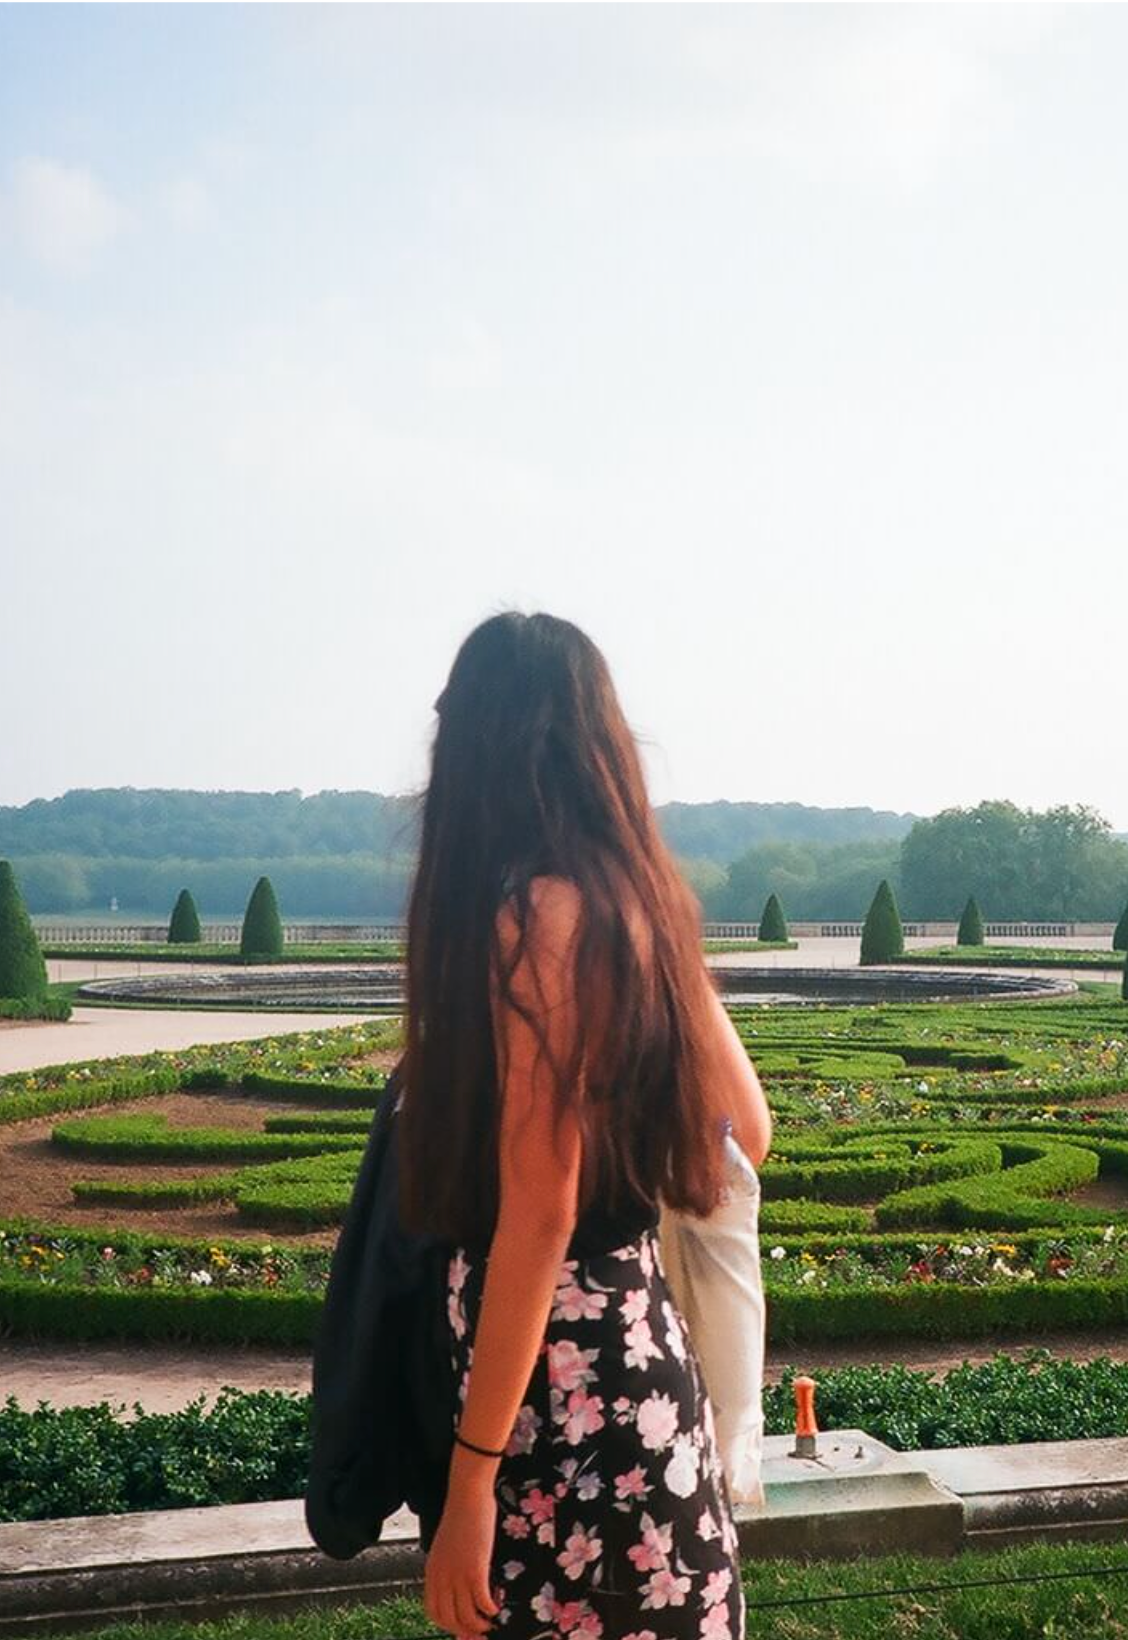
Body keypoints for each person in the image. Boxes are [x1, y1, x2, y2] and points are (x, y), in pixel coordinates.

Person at [400, 611, 772, 1640]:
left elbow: (539, 1209)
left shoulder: (536, 916)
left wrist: (470, 1483)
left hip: (562, 1396)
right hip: (642, 1363)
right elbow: (745, 1129)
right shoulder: (627, 903)